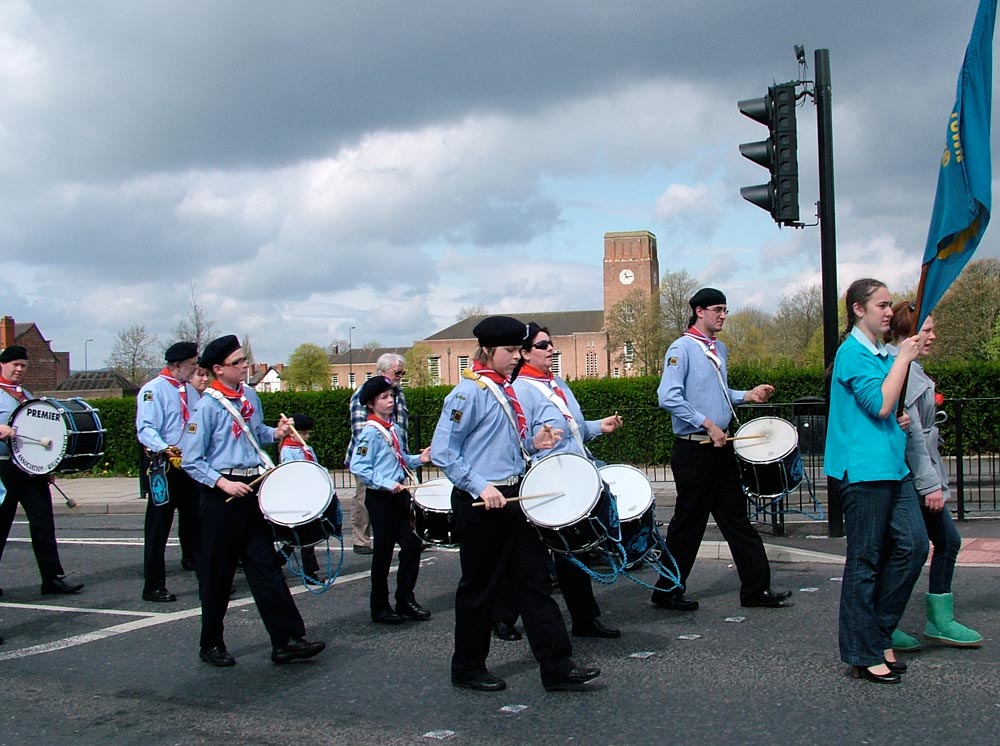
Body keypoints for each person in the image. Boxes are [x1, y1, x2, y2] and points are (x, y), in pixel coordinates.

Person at [431, 315, 600, 693]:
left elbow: (505, 447)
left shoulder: (505, 389)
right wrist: (479, 486)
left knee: (535, 583)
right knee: (479, 588)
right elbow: (444, 451)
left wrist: (534, 444)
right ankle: (468, 666)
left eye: (518, 350)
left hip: (514, 497)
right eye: (509, 351)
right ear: (488, 351)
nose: (515, 357)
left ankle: (557, 665)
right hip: (481, 503)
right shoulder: (467, 393)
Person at [182, 335, 325, 667]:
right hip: (221, 497)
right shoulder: (206, 406)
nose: (245, 366)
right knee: (218, 573)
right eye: (237, 362)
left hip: (252, 489)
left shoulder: (249, 396)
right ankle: (211, 642)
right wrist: (222, 483)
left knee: (266, 568)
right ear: (218, 369)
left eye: (244, 360)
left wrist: (277, 433)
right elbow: (191, 459)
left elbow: (255, 431)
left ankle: (286, 639)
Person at [651, 288, 791, 611]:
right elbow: (668, 397)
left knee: (737, 520)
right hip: (694, 449)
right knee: (688, 524)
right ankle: (667, 589)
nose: (723, 315)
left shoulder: (719, 349)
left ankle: (756, 589)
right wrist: (708, 424)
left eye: (725, 309)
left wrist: (747, 396)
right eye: (717, 309)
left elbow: (717, 391)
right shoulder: (681, 349)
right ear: (699, 312)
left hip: (720, 449)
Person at [825, 279, 929, 684]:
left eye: (889, 306)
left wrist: (898, 410)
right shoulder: (852, 354)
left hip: (892, 466)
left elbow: (891, 407)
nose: (889, 312)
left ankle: (878, 632)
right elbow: (882, 403)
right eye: (881, 305)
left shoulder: (882, 353)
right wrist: (903, 359)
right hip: (863, 471)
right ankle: (862, 650)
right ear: (858, 309)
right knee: (865, 561)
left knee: (914, 545)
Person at [511, 322, 622, 639]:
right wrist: (538, 440)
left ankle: (585, 619)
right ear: (524, 353)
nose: (550, 349)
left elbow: (575, 428)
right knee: (542, 556)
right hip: (547, 480)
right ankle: (502, 615)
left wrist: (601, 425)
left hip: (572, 474)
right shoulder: (521, 389)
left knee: (572, 552)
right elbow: (520, 439)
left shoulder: (556, 382)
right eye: (542, 345)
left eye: (551, 343)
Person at [886, 302, 981, 649]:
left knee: (908, 547)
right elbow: (913, 439)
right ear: (907, 332)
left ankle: (908, 620)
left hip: (914, 473)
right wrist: (931, 486)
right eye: (926, 329)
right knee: (937, 544)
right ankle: (928, 620)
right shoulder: (906, 371)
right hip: (912, 475)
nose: (933, 335)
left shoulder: (909, 368)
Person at [0, 345, 84, 596]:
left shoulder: (25, 395)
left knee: (43, 523)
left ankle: (52, 578)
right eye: (14, 364)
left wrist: (45, 465)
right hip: (2, 467)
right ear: (2, 365)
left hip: (29, 470)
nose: (19, 369)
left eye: (23, 365)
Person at [349, 375, 432, 624]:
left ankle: (405, 598)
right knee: (383, 553)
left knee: (412, 545)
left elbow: (398, 458)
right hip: (381, 499)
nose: (390, 401)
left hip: (399, 497)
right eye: (384, 397)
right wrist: (387, 483)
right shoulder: (370, 433)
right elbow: (358, 465)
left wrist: (419, 459)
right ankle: (380, 606)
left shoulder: (391, 428)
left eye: (392, 396)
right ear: (371, 404)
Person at [136, 341, 204, 602]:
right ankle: (153, 584)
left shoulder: (190, 391)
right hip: (164, 465)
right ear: (177, 365)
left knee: (196, 524)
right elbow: (146, 429)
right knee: (158, 527)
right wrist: (166, 448)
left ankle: (205, 578)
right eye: (191, 366)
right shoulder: (153, 390)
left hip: (188, 465)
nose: (195, 370)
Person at [346, 353, 409, 555]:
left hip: (395, 456)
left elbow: (400, 425)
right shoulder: (365, 394)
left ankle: (402, 535)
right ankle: (361, 539)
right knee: (364, 498)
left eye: (402, 372)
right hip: (374, 459)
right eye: (396, 372)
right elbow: (359, 430)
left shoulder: (398, 393)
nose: (400, 375)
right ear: (382, 372)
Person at [277, 413, 321, 583]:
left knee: (297, 537)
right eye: (303, 433)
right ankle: (309, 572)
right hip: (297, 497)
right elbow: (291, 471)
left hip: (309, 496)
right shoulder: (288, 450)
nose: (307, 437)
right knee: (302, 536)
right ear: (292, 433)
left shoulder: (306, 449)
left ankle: (278, 561)